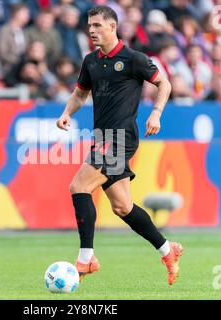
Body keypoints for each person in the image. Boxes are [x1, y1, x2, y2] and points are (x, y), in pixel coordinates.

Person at [56, 6, 183, 286]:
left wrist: (156, 113)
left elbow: (164, 84)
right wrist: (67, 112)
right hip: (102, 138)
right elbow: (80, 94)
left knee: (78, 186)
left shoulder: (134, 59)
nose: (92, 30)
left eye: (98, 25)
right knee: (122, 206)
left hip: (120, 137)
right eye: (90, 25)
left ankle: (86, 258)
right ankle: (167, 250)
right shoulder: (90, 61)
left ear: (113, 27)